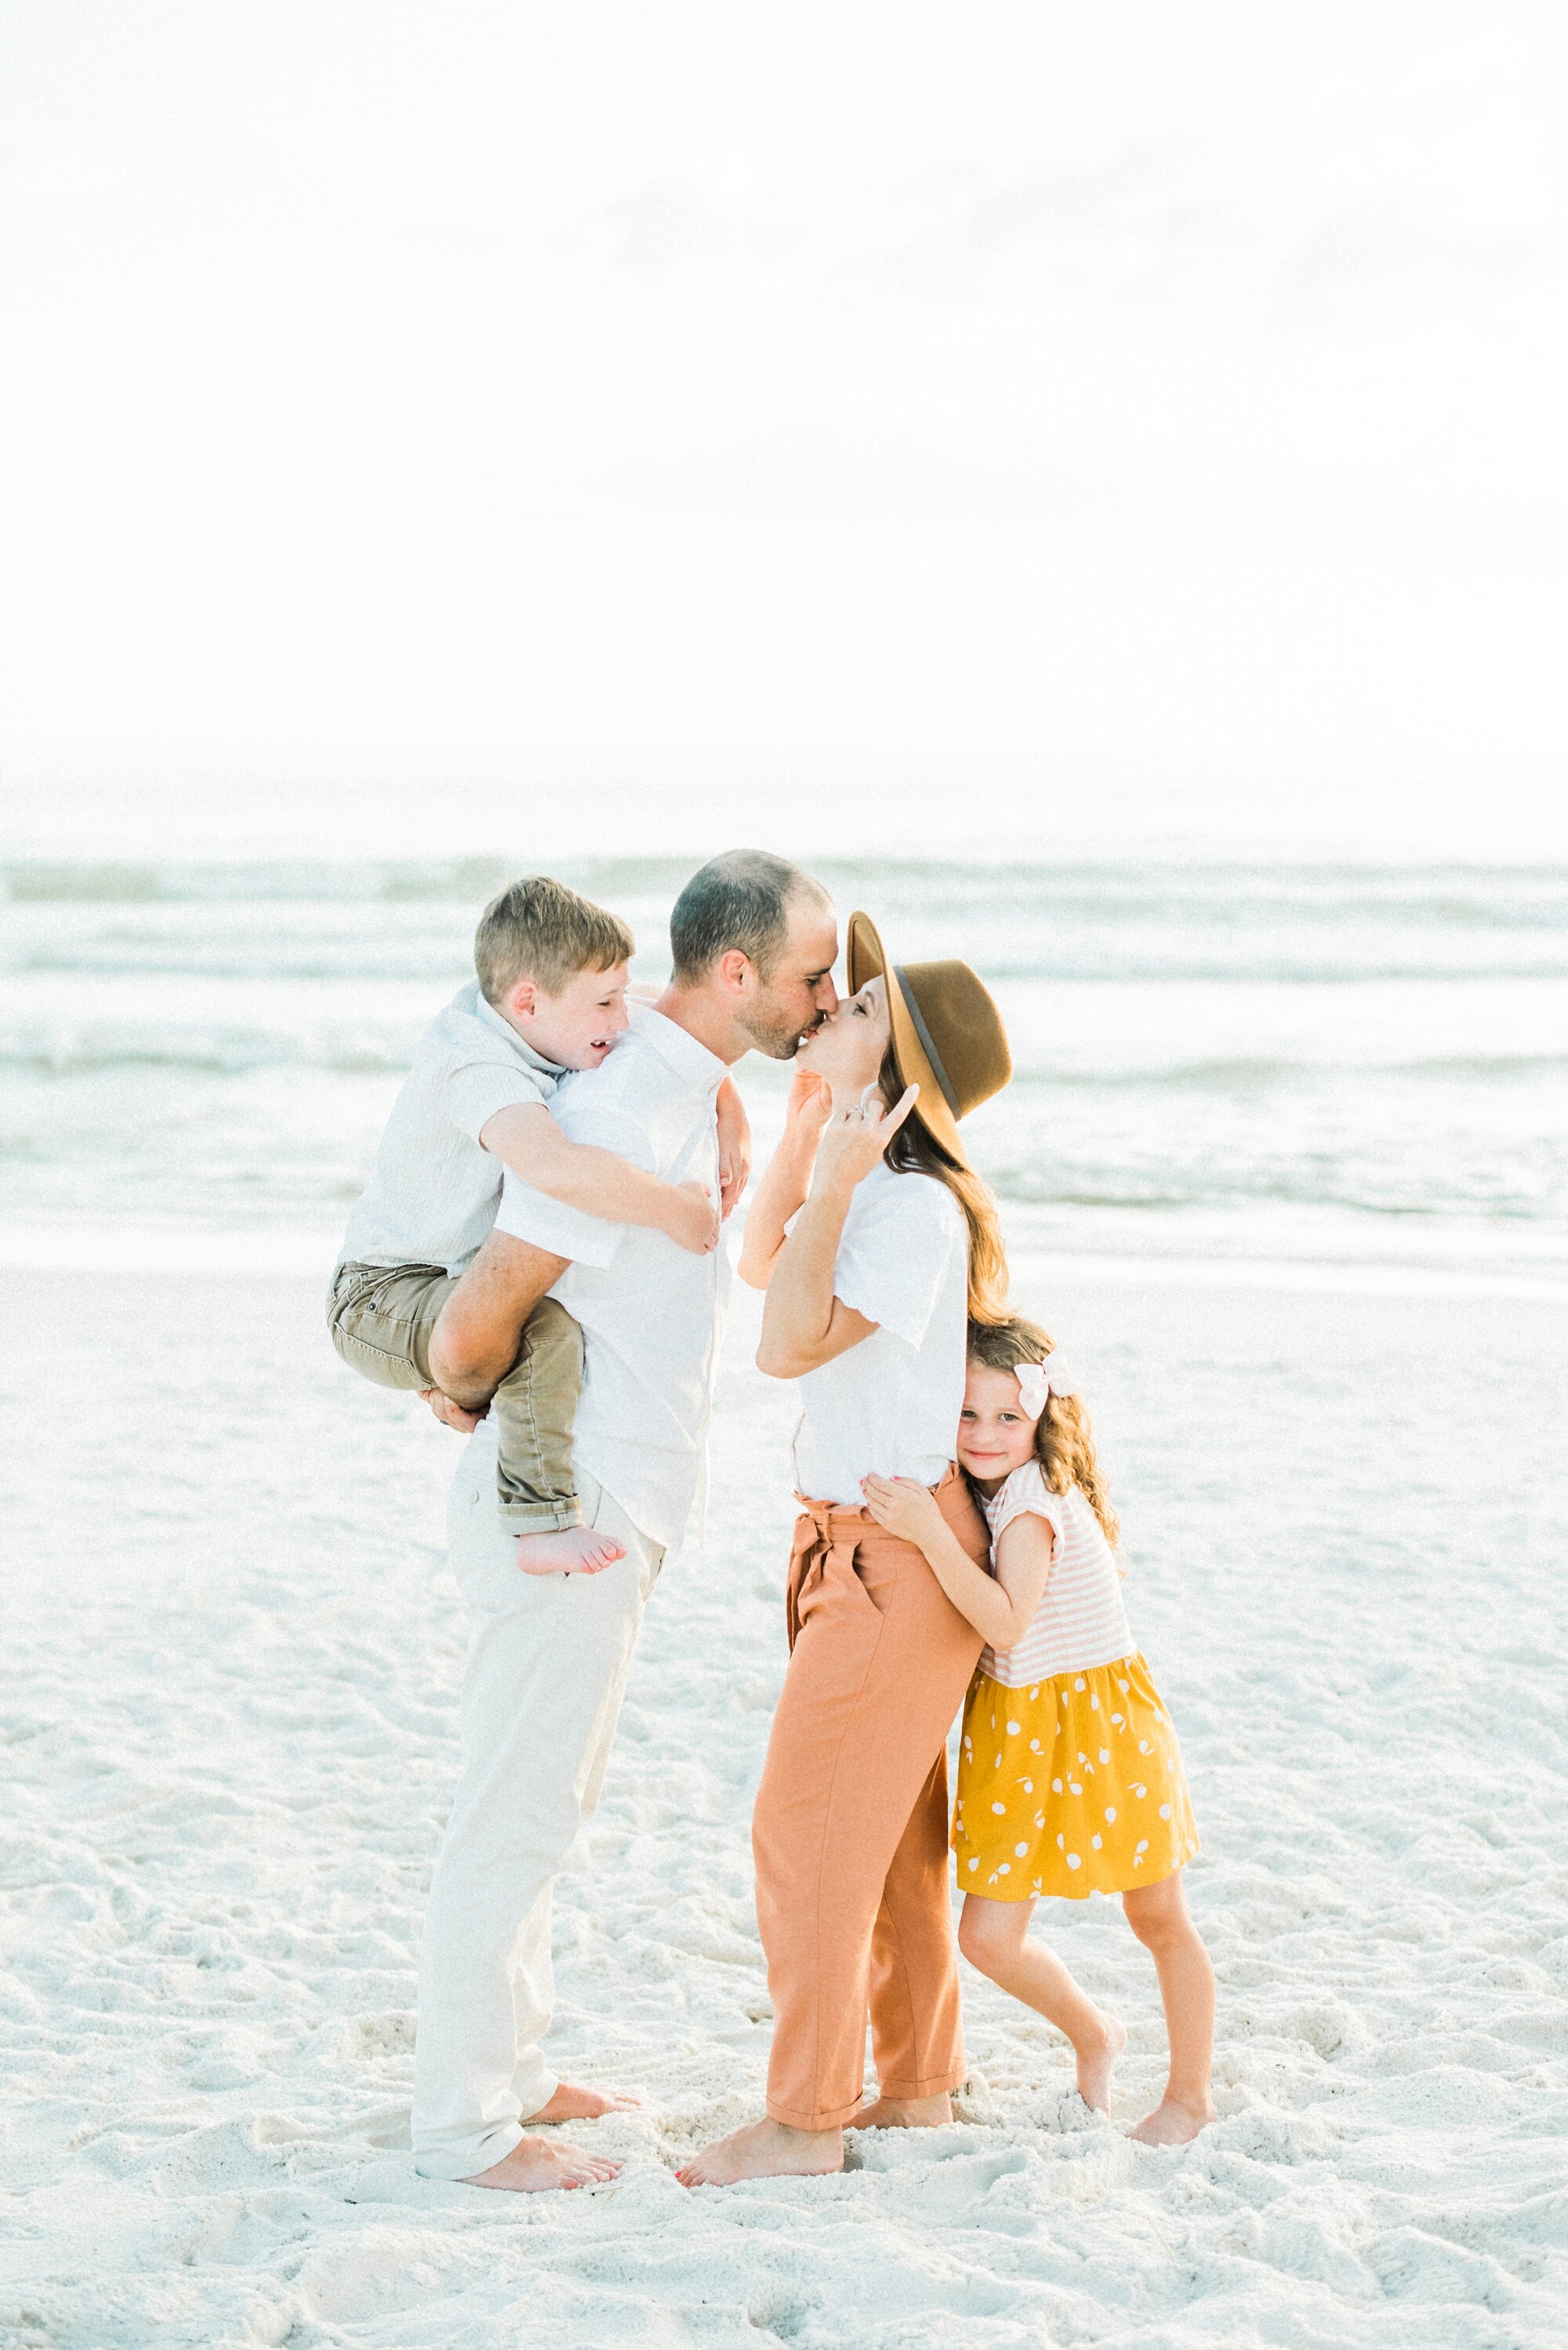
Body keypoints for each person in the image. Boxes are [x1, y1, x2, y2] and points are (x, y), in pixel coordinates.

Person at [411, 850, 841, 2193]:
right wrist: (458, 1385)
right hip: (571, 1497)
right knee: (517, 1807)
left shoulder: (682, 1081)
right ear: (733, 974)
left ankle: (520, 2069)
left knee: (555, 1792)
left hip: (615, 1496)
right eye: (808, 976)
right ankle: (466, 2128)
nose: (824, 999)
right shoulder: (627, 1098)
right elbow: (501, 1282)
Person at [679, 909, 1013, 2187]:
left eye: (861, 1010)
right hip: (851, 1551)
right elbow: (762, 1256)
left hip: (890, 1562)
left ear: (904, 1065)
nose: (832, 1009)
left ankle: (807, 2122)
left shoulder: (917, 1208)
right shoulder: (873, 1181)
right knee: (887, 1839)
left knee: (804, 1829)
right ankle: (917, 2089)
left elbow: (783, 1341)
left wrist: (829, 1182)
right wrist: (813, 1137)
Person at [858, 1315, 1215, 2145]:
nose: (984, 1435)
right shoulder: (989, 1490)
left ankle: (1189, 2099)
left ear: (1042, 1420)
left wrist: (922, 1531)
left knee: (1158, 1917)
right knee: (985, 1939)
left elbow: (1007, 1622)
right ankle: (1096, 2034)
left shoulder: (1028, 1506)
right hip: (1023, 1731)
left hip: (1099, 1726)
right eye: (966, 1413)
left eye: (1007, 1417)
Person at [328, 873, 749, 1575]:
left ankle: (457, 1395)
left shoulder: (532, 1007)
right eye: (604, 1003)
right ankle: (539, 1522)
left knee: (517, 1327)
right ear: (529, 1000)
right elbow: (555, 1168)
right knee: (544, 1329)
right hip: (379, 1293)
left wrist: (728, 1101)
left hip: (434, 1280)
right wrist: (676, 1209)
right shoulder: (477, 1065)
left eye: (619, 994)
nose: (619, 1021)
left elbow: (658, 1012)